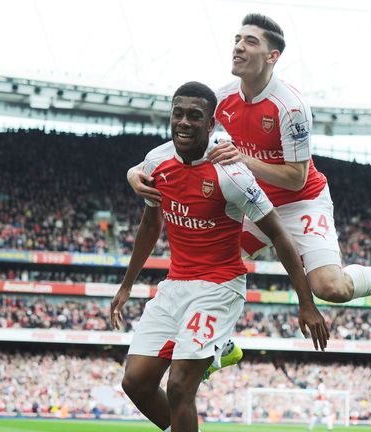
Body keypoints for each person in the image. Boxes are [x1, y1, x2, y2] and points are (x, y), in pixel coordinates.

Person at [126, 13, 371, 376]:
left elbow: (295, 177)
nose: (239, 46)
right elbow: (184, 139)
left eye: (251, 41)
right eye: (237, 39)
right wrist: (136, 170)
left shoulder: (291, 107)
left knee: (329, 288)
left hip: (300, 200)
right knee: (212, 265)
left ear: (272, 57)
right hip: (254, 201)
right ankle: (220, 345)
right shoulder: (222, 98)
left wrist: (245, 158)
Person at [111, 81, 329, 432]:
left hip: (219, 287)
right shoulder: (156, 162)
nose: (184, 122)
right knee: (135, 383)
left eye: (194, 116)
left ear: (211, 124)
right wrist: (126, 286)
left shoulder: (231, 173)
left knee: (180, 386)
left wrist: (306, 302)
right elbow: (150, 226)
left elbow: (279, 235)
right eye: (177, 114)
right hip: (175, 285)